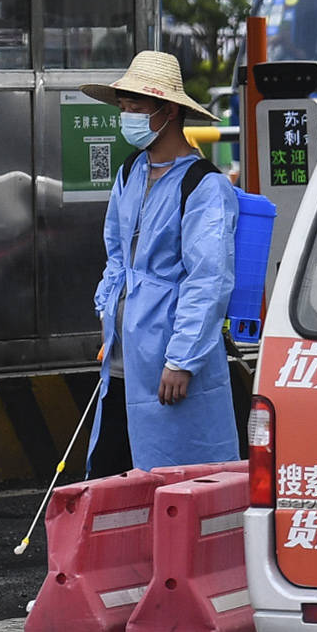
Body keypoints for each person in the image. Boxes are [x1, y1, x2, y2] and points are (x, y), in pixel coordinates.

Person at [86, 52, 240, 475]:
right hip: (124, 353)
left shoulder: (204, 186)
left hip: (169, 355)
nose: (125, 115)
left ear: (167, 110)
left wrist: (182, 359)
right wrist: (108, 319)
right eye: (122, 105)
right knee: (111, 474)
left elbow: (208, 280)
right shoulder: (129, 172)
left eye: (135, 105)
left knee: (177, 477)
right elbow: (116, 255)